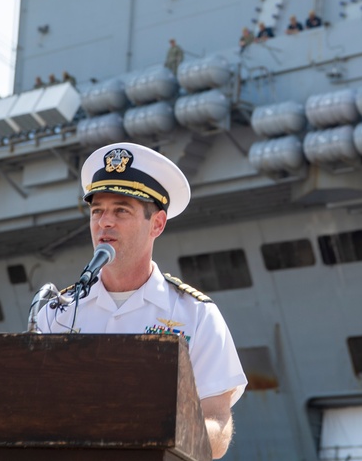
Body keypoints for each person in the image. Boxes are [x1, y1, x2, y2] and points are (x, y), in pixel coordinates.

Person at [34, 142, 247, 458]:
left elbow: (216, 418)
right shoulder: (57, 313)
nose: (105, 221)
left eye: (121, 210)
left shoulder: (197, 315)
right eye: (97, 211)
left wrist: (162, 430)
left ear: (157, 224)